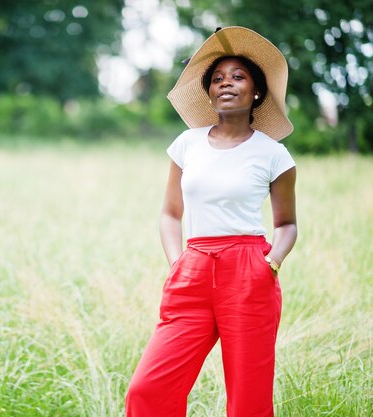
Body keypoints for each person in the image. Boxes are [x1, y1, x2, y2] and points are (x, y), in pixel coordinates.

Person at [125, 26, 298, 417]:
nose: (226, 84)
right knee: (147, 391)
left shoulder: (274, 155)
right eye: (217, 78)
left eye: (238, 76)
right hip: (193, 270)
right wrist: (177, 263)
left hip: (250, 271)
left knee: (248, 401)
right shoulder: (187, 144)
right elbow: (170, 213)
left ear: (256, 91)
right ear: (208, 92)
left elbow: (287, 223)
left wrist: (271, 263)